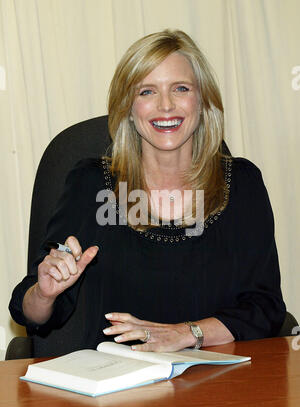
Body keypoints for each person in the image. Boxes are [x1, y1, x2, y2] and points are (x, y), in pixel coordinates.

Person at [9, 29, 286, 356]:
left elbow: (265, 307)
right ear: (128, 106)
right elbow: (33, 314)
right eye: (147, 92)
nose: (165, 106)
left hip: (216, 383)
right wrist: (44, 293)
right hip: (116, 387)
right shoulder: (93, 185)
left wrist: (185, 334)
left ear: (203, 99)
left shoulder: (241, 184)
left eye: (180, 88)